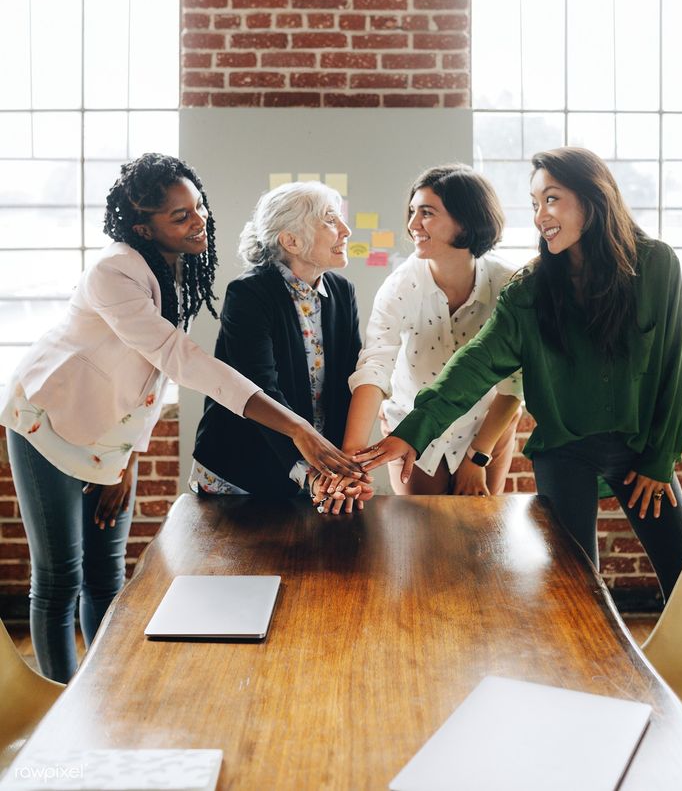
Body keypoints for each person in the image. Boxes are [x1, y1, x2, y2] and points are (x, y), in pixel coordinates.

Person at [0, 154, 362, 682]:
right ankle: (60, 697)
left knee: (106, 575)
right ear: (143, 226)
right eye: (181, 216)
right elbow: (178, 358)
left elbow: (151, 379)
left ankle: (105, 688)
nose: (199, 222)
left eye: (199, 209)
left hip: (110, 434)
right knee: (60, 577)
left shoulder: (177, 269)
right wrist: (297, 427)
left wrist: (126, 459)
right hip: (47, 420)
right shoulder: (113, 271)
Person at [357, 148, 682, 601]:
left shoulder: (656, 266)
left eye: (552, 199)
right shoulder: (530, 289)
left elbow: (674, 368)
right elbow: (476, 363)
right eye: (535, 204)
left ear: (593, 200)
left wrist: (659, 460)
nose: (540, 215)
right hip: (565, 453)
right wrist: (412, 431)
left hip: (641, 449)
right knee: (576, 589)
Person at [342, 164, 523, 498]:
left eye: (426, 213)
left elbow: (514, 384)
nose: (412, 226)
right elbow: (374, 366)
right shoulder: (400, 286)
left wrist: (477, 458)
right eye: (412, 211)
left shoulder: (508, 286)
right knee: (421, 540)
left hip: (486, 430)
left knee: (480, 536)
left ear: (467, 220)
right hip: (410, 428)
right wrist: (351, 458)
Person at [191, 181, 370, 513]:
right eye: (331, 220)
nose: (346, 230)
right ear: (292, 240)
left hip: (314, 472)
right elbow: (260, 389)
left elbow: (348, 383)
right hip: (242, 473)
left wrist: (341, 469)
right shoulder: (249, 294)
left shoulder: (343, 291)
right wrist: (309, 472)